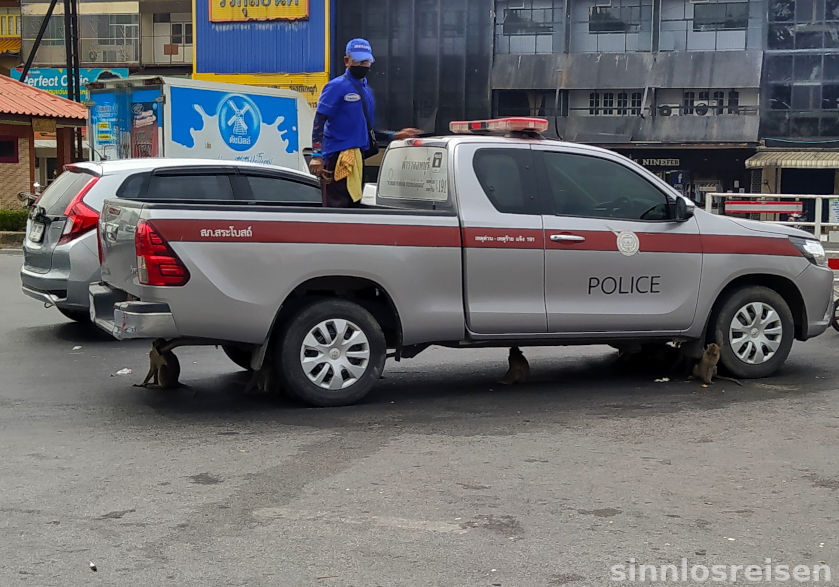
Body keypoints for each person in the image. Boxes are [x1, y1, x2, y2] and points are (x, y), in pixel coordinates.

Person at [309, 38, 421, 207]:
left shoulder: (366, 91)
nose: (363, 65)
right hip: (336, 159)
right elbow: (319, 121)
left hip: (358, 160)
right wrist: (317, 155)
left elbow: (368, 129)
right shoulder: (336, 86)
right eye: (359, 61)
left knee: (353, 208)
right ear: (347, 61)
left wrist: (394, 135)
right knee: (336, 210)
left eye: (366, 61)